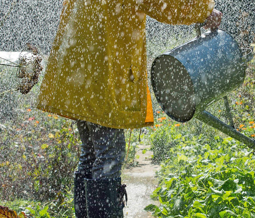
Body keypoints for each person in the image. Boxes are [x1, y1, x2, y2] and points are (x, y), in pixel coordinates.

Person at [37, 0, 222, 217]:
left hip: (79, 65)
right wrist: (204, 11)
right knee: (108, 157)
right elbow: (162, 4)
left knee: (91, 153)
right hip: (103, 70)